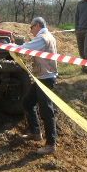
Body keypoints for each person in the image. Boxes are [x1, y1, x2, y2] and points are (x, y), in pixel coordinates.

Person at [21, 17, 58, 155]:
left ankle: (51, 144)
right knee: (28, 102)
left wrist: (10, 47)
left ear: (37, 25)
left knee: (47, 111)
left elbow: (26, 48)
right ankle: (35, 132)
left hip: (46, 79)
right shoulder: (47, 36)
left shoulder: (43, 38)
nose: (31, 31)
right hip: (41, 77)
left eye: (31, 28)